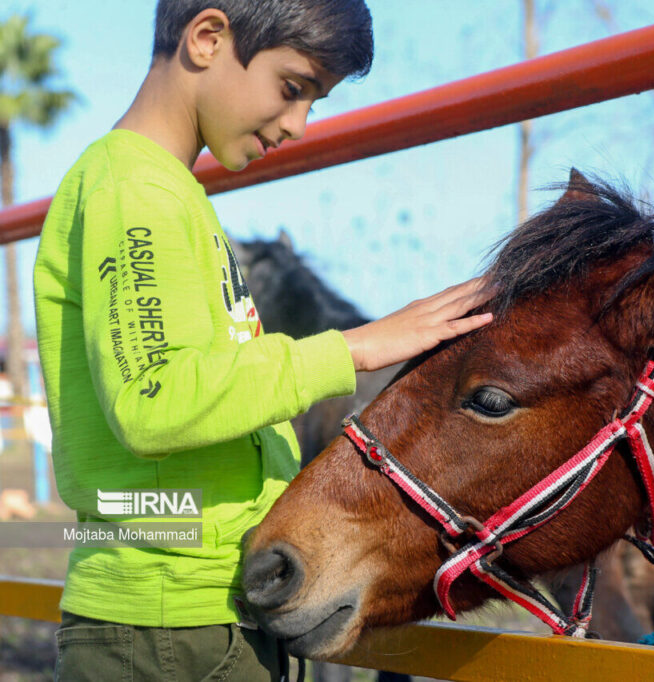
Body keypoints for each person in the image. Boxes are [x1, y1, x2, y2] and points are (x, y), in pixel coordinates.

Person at [32, 1, 492, 679]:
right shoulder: (135, 193)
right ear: (208, 38)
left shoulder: (168, 195)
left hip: (196, 615)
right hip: (172, 629)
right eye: (293, 88)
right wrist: (352, 349)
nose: (298, 125)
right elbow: (153, 400)